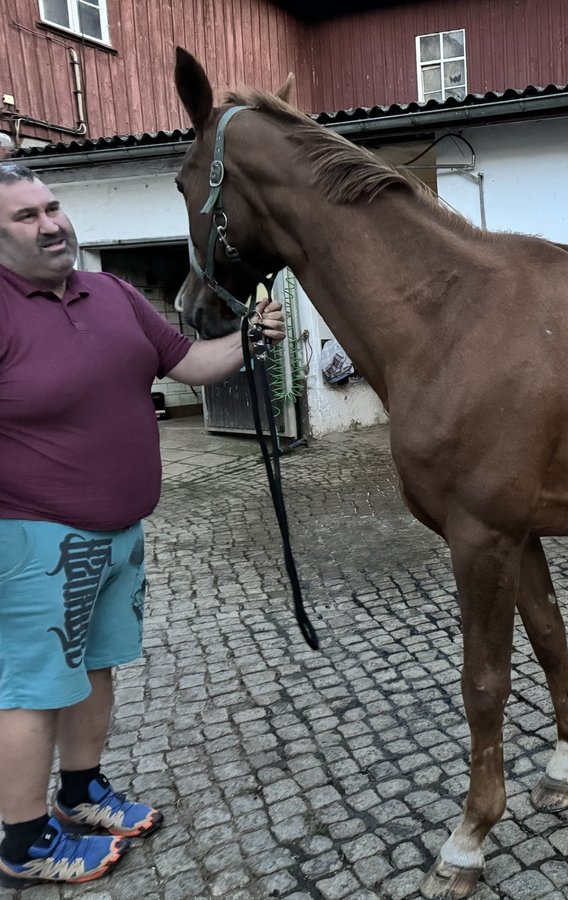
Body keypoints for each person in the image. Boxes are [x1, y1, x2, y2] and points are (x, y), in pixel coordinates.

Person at [0, 161, 285, 884]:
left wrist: (249, 338)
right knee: (32, 689)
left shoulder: (111, 292)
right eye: (26, 217)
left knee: (96, 667)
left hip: (119, 533)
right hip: (34, 537)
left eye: (52, 206)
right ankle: (25, 842)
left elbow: (187, 362)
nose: (52, 223)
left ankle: (81, 791)